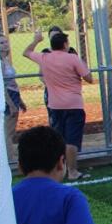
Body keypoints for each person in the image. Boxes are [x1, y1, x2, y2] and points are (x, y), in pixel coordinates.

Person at [23, 29, 91, 181]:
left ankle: (58, 170)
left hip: (55, 105)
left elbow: (26, 52)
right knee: (72, 140)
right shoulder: (72, 58)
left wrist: (36, 40)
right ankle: (72, 171)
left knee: (58, 138)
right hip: (73, 104)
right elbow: (89, 78)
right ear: (65, 44)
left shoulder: (45, 57)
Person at [0, 30, 26, 164]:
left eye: (6, 42)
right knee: (8, 131)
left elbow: (13, 82)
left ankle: (9, 155)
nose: (5, 44)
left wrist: (20, 100)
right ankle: (9, 159)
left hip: (14, 94)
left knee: (11, 130)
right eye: (1, 43)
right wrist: (9, 103)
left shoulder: (5, 60)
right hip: (8, 96)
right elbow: (2, 85)